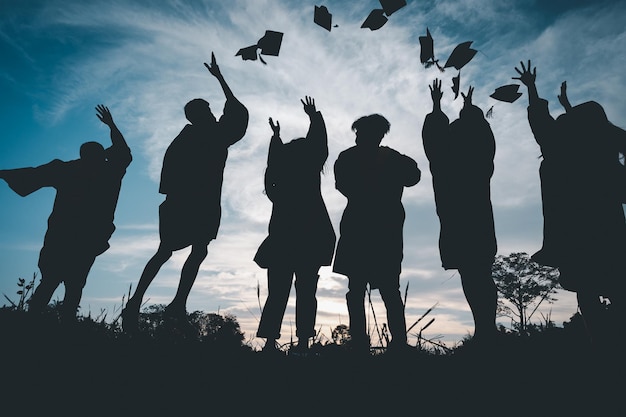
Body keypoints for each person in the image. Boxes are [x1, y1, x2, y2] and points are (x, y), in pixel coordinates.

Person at [121, 53, 249, 332]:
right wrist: (221, 80)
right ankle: (148, 301)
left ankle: (173, 302)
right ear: (200, 114)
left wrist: (220, 79)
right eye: (209, 109)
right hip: (189, 204)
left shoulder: (196, 136)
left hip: (191, 203)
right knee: (173, 251)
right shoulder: (206, 136)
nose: (215, 112)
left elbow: (235, 112)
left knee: (188, 250)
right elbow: (237, 113)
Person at [514, 60, 626, 346]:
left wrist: (532, 88)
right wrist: (567, 106)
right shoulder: (604, 153)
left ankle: (603, 346)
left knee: (587, 291)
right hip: (608, 228)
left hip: (574, 232)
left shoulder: (560, 151)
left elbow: (540, 122)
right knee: (615, 286)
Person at [0, 105, 132, 322]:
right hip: (84, 237)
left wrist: (3, 173)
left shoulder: (70, 170)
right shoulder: (109, 172)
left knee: (53, 282)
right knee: (72, 285)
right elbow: (122, 151)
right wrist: (111, 125)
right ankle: (62, 329)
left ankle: (33, 324)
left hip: (66, 236)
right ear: (100, 156)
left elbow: (31, 175)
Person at [333, 114, 421, 354]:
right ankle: (383, 344)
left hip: (373, 228)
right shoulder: (381, 158)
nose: (363, 137)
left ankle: (387, 344)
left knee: (378, 289)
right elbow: (413, 176)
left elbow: (414, 176)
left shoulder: (352, 157)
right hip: (374, 228)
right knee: (377, 289)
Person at [254, 96, 336, 354]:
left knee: (277, 291)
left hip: (282, 237)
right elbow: (318, 145)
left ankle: (270, 342)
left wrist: (276, 139)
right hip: (310, 237)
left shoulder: (280, 187)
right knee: (306, 292)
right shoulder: (309, 171)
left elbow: (272, 165)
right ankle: (302, 342)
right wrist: (314, 117)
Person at [421, 79, 499, 343]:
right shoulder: (479, 159)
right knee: (479, 273)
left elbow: (434, 135)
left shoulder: (445, 160)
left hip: (457, 220)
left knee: (471, 273)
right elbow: (479, 133)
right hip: (476, 219)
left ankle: (485, 329)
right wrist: (468, 110)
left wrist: (437, 105)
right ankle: (486, 328)